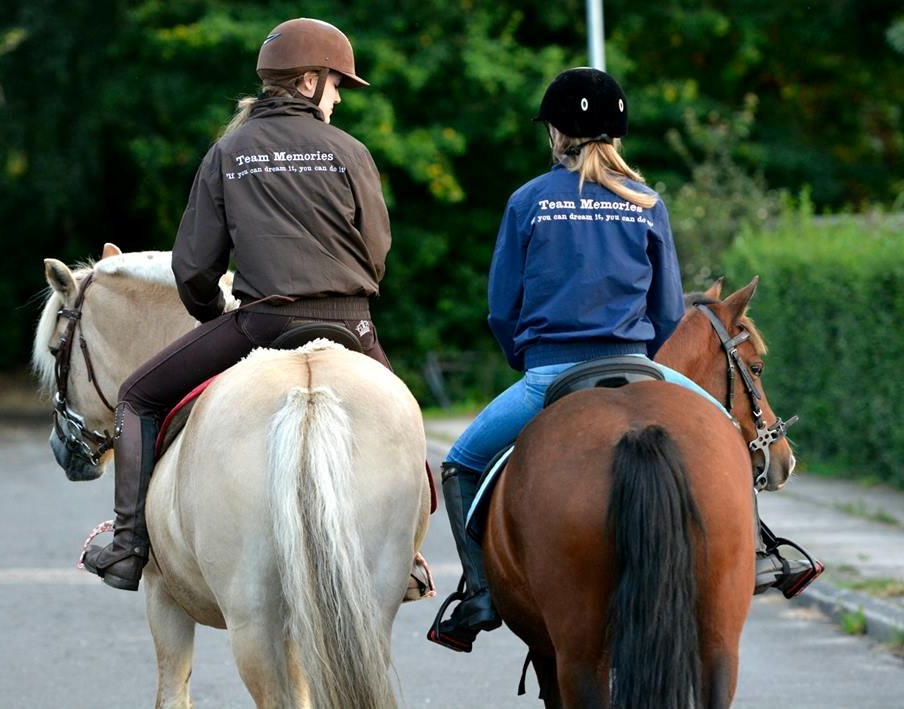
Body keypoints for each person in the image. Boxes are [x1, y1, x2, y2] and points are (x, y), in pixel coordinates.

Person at [427, 67, 821, 653]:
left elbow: (503, 308)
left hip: (553, 373)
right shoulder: (646, 202)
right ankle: (763, 551)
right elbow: (666, 312)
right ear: (617, 134)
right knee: (718, 436)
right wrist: (645, 361)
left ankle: (479, 595)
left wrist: (526, 360)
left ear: (557, 132)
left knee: (461, 462)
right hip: (640, 365)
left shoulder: (527, 201)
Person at [83, 18, 393, 591]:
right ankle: (409, 561)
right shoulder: (351, 151)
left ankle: (128, 545)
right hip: (352, 322)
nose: (339, 96)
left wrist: (211, 316)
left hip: (262, 324)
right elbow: (376, 251)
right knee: (405, 431)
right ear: (307, 82)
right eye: (337, 84)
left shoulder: (228, 152)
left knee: (135, 398)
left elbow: (193, 266)